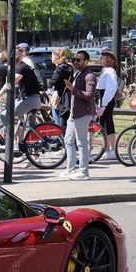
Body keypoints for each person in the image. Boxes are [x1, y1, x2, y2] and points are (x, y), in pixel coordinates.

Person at [60, 50, 97, 181]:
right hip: (74, 113)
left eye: (78, 60)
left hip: (82, 113)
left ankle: (84, 171)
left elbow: (90, 95)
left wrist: (73, 90)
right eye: (75, 59)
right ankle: (70, 169)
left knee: (81, 143)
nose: (76, 62)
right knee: (68, 141)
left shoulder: (90, 76)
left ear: (86, 61)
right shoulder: (78, 74)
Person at [0, 45, 42, 148]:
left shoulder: (22, 67)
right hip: (33, 99)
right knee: (32, 127)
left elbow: (10, 83)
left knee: (4, 115)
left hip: (30, 100)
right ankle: (35, 155)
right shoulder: (23, 67)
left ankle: (14, 140)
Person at [96, 50, 119, 160]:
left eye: (102, 58)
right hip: (104, 99)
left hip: (106, 100)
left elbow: (111, 88)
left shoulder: (110, 71)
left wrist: (104, 103)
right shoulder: (105, 70)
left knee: (107, 123)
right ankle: (108, 148)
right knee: (105, 123)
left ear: (108, 60)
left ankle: (110, 149)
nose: (100, 60)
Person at [48, 48, 74, 130]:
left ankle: (61, 139)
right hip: (68, 95)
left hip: (60, 96)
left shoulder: (60, 68)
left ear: (56, 56)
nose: (51, 57)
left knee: (59, 123)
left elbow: (52, 82)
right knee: (65, 121)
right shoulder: (69, 67)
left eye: (52, 55)